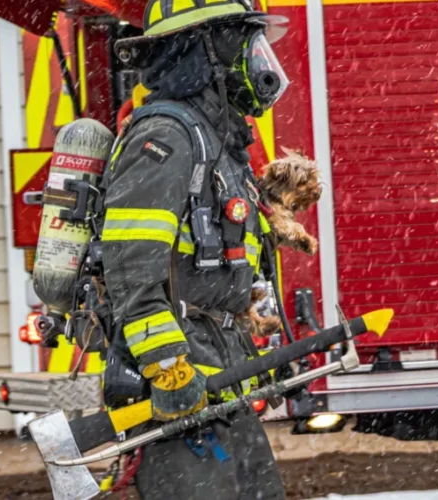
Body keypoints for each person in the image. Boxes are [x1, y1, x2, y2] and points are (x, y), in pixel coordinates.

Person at [97, 0, 293, 498]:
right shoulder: (165, 138)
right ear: (206, 49)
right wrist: (167, 366)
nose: (255, 60)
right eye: (242, 43)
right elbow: (130, 272)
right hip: (180, 381)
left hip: (219, 374)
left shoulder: (216, 142)